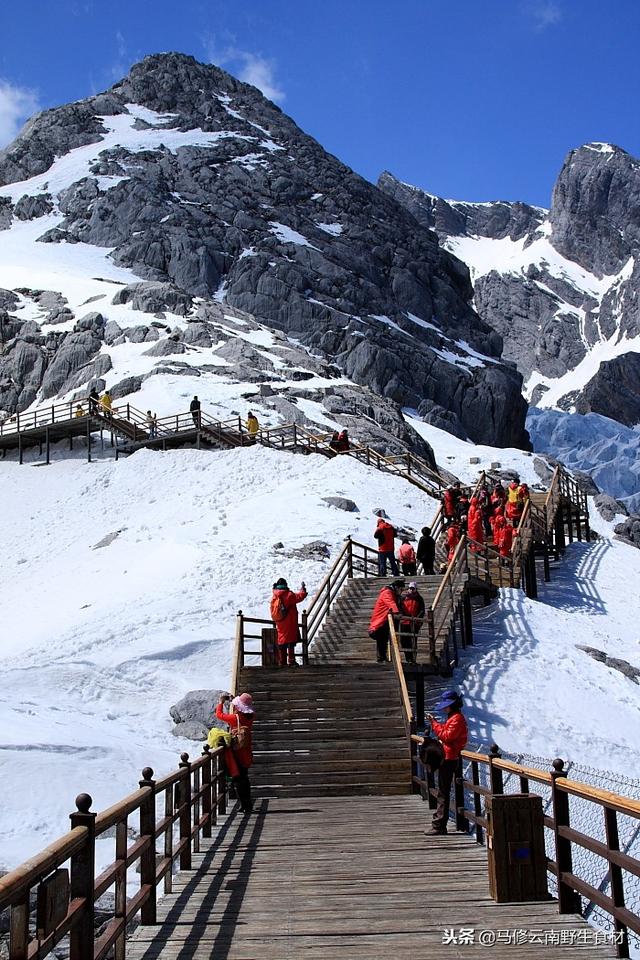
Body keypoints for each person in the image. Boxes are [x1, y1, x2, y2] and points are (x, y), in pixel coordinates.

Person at [427, 690, 468, 835]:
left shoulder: (456, 718)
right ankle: (439, 823)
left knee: (443, 791)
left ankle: (439, 824)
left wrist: (434, 724)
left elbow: (447, 736)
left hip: (449, 758)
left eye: (446, 705)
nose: (444, 708)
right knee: (442, 791)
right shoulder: (454, 717)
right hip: (448, 756)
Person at [215, 692, 255, 813]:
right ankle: (247, 804)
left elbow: (219, 715)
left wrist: (221, 702)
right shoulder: (251, 716)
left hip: (238, 753)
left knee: (238, 780)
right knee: (245, 779)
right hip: (246, 751)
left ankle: (245, 806)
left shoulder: (235, 718)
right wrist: (234, 702)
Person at [271, 577, 307, 666]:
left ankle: (282, 661)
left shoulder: (274, 596)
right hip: (289, 621)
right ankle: (291, 660)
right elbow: (299, 597)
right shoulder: (288, 595)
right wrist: (303, 590)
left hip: (280, 622)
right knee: (291, 641)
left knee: (282, 641)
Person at [368, 579, 405, 663]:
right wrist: (397, 612)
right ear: (396, 587)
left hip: (385, 619)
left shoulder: (393, 594)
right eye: (401, 589)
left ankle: (383, 657)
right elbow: (390, 603)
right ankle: (381, 657)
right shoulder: (387, 593)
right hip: (381, 619)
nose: (401, 591)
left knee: (384, 638)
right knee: (382, 638)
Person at [399, 582, 425, 663]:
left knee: (413, 640)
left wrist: (417, 619)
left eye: (413, 588)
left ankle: (413, 659)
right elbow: (400, 607)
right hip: (404, 621)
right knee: (403, 640)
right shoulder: (403, 597)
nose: (411, 590)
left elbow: (422, 610)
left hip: (414, 622)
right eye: (410, 588)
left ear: (416, 589)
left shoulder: (419, 598)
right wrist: (402, 615)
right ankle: (408, 657)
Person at [374, 512, 399, 577]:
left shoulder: (380, 527)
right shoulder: (390, 527)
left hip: (382, 548)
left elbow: (375, 536)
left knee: (382, 563)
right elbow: (395, 535)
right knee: (392, 562)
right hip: (391, 548)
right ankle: (396, 573)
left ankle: (383, 574)